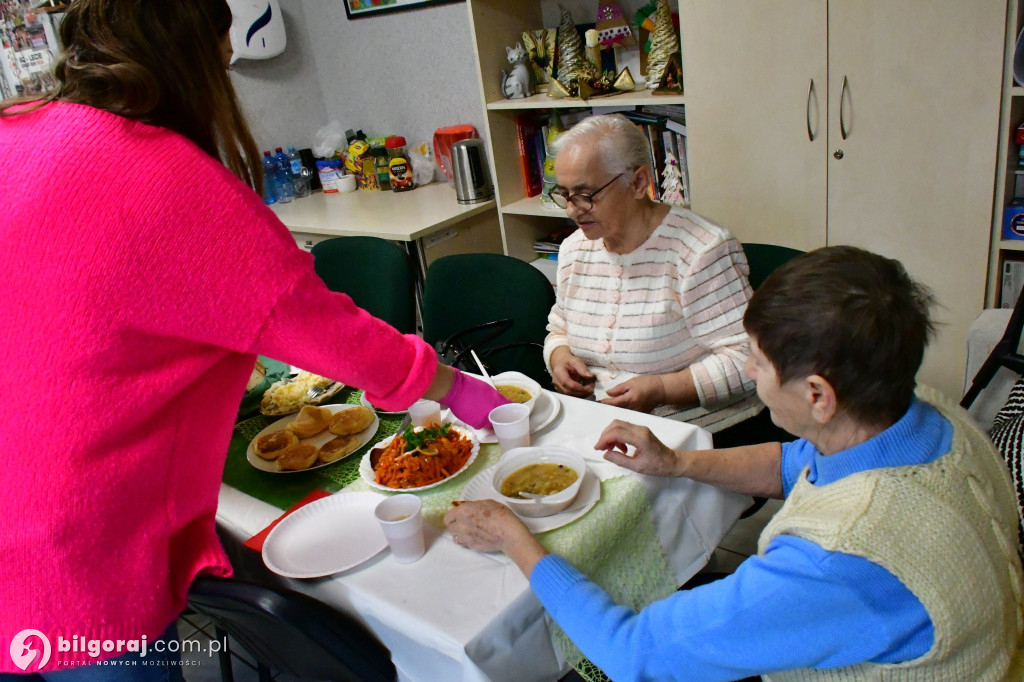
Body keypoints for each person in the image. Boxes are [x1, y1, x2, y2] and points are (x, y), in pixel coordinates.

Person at [0, 0, 506, 677]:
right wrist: (460, 389)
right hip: (81, 564)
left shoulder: (16, 132)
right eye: (223, 55)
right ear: (190, 56)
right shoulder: (170, 181)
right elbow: (343, 339)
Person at [446, 246, 1024, 680]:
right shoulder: (932, 419)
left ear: (818, 395)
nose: (747, 373)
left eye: (757, 361)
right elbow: (799, 463)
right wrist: (676, 462)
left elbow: (635, 653)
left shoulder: (840, 556)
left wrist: (515, 539)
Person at [544, 113, 781, 445]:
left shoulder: (700, 250)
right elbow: (560, 328)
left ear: (639, 182)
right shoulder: (574, 250)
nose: (572, 210)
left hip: (696, 434)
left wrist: (663, 389)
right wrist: (559, 357)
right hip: (601, 425)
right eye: (565, 194)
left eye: (586, 195)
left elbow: (750, 358)